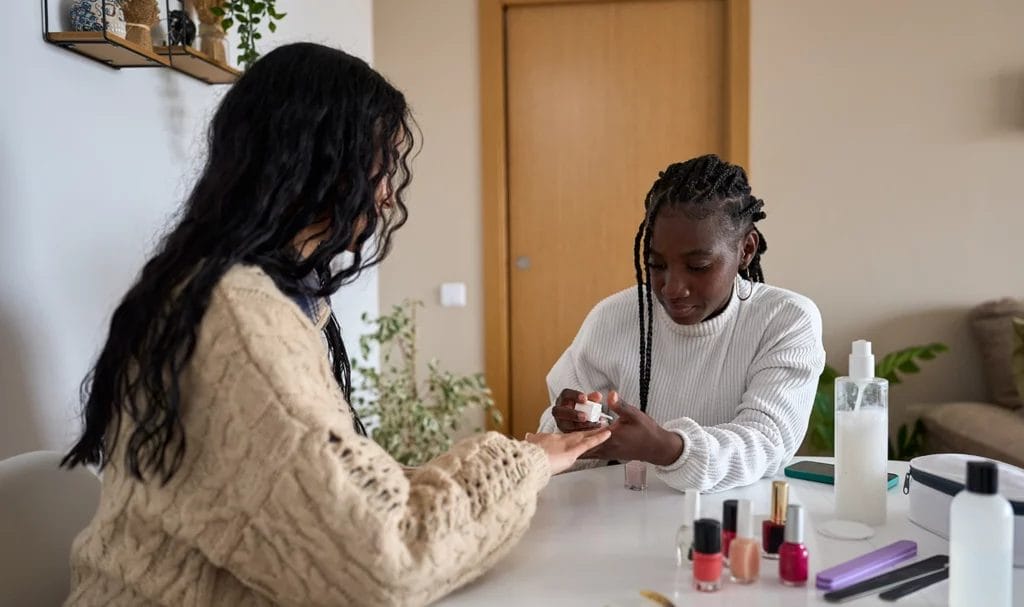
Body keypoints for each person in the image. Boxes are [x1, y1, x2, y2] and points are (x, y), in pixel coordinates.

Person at [60, 43, 609, 607]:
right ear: (318, 163)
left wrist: (531, 462)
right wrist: (525, 463)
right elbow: (388, 562)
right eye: (380, 168)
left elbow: (329, 490)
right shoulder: (236, 321)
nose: (388, 195)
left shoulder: (241, 293)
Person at [539, 154, 824, 493]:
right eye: (657, 265)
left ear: (746, 249)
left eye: (699, 266)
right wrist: (571, 428)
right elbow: (557, 451)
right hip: (621, 520)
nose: (672, 288)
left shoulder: (785, 320)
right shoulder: (612, 317)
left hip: (734, 528)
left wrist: (667, 448)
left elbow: (765, 442)